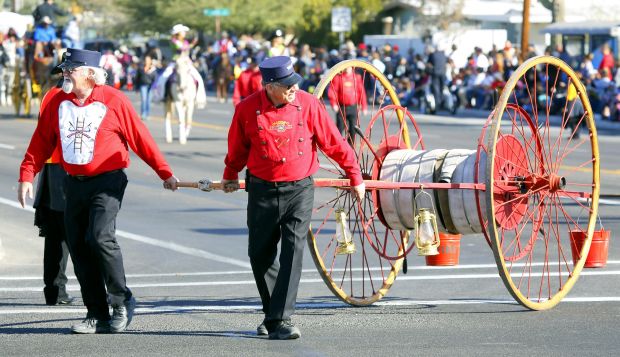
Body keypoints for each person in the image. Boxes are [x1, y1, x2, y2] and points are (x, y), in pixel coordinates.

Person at [17, 48, 180, 334]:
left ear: (91, 74)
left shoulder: (114, 100)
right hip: (72, 183)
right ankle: (96, 312)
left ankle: (121, 300)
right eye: (64, 70)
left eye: (71, 70)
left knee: (100, 237)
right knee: (78, 246)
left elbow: (141, 139)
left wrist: (164, 172)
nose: (65, 74)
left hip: (108, 181)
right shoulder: (57, 101)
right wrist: (27, 174)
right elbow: (41, 141)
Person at [221, 56, 365, 340]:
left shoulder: (309, 105)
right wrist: (229, 174)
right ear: (270, 86)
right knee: (259, 253)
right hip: (262, 189)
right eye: (286, 86)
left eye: (294, 83)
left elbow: (334, 143)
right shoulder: (247, 109)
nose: (292, 89)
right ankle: (273, 313)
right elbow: (237, 148)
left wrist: (354, 175)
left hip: (299, 189)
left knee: (293, 251)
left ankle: (282, 319)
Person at [34, 84, 74, 306]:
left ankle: (54, 291)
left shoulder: (50, 93)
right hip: (72, 168)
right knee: (81, 233)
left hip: (51, 169)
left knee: (55, 235)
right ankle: (100, 291)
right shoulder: (84, 96)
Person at [327, 66, 367, 144]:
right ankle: (337, 145)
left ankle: (350, 146)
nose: (347, 69)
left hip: (353, 107)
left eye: (349, 67)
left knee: (353, 129)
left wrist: (364, 106)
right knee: (339, 128)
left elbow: (361, 91)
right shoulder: (338, 77)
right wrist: (333, 103)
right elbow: (333, 91)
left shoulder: (357, 77)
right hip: (342, 107)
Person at [134, 55, 157, 120]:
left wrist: (154, 86)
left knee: (148, 101)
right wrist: (136, 87)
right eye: (146, 60)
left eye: (148, 60)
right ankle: (143, 114)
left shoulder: (153, 69)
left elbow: (155, 78)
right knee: (144, 100)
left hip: (151, 86)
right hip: (143, 85)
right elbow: (137, 77)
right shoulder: (141, 67)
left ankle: (147, 114)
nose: (147, 61)